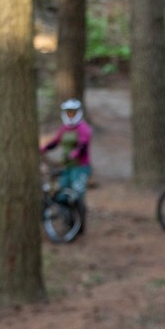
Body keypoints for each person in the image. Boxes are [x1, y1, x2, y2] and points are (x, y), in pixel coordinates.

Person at [39, 98, 93, 234]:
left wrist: (74, 154)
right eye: (68, 112)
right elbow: (55, 141)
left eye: (73, 112)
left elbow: (83, 145)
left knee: (77, 194)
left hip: (80, 167)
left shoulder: (83, 129)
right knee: (61, 193)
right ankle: (68, 221)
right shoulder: (64, 129)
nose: (70, 115)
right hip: (67, 168)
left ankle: (80, 226)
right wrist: (43, 148)